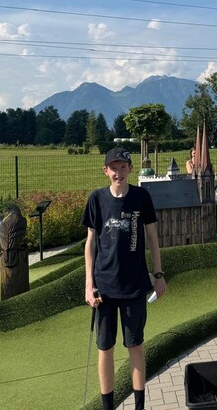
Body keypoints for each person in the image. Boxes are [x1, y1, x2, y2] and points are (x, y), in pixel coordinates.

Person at [83, 147, 167, 410]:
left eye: (123, 167)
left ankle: (139, 406)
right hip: (104, 288)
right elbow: (90, 243)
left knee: (135, 346)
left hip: (134, 286)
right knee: (105, 349)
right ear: (105, 170)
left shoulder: (141, 197)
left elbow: (152, 238)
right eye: (113, 167)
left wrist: (159, 274)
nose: (118, 172)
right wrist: (89, 284)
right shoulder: (96, 199)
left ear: (130, 169)